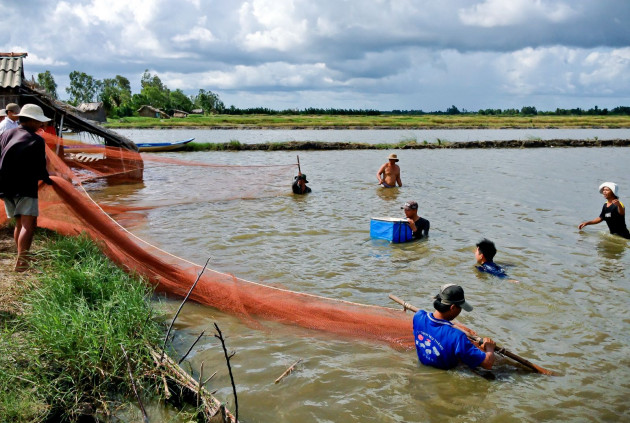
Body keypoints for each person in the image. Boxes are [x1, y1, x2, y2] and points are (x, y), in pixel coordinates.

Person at [0, 104, 54, 272]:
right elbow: (40, 167)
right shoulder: (36, 140)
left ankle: (21, 257)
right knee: (28, 225)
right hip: (24, 186)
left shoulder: (6, 134)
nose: (41, 125)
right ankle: (22, 262)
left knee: (19, 223)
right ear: (30, 120)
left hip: (4, 186)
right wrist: (48, 180)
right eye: (38, 122)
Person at [413, 284, 496, 370]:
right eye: (460, 308)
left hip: (423, 364)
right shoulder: (457, 337)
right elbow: (487, 363)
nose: (460, 311)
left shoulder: (418, 316)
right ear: (452, 307)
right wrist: (490, 348)